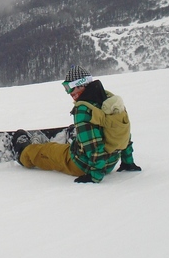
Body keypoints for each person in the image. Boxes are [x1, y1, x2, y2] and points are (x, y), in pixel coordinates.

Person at [11, 65, 141, 184]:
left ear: (80, 85)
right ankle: (80, 133)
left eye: (69, 88)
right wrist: (128, 162)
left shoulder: (83, 110)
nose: (69, 93)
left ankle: (23, 153)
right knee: (88, 133)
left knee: (47, 151)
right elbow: (123, 134)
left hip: (82, 165)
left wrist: (94, 175)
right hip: (110, 162)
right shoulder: (110, 101)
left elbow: (95, 149)